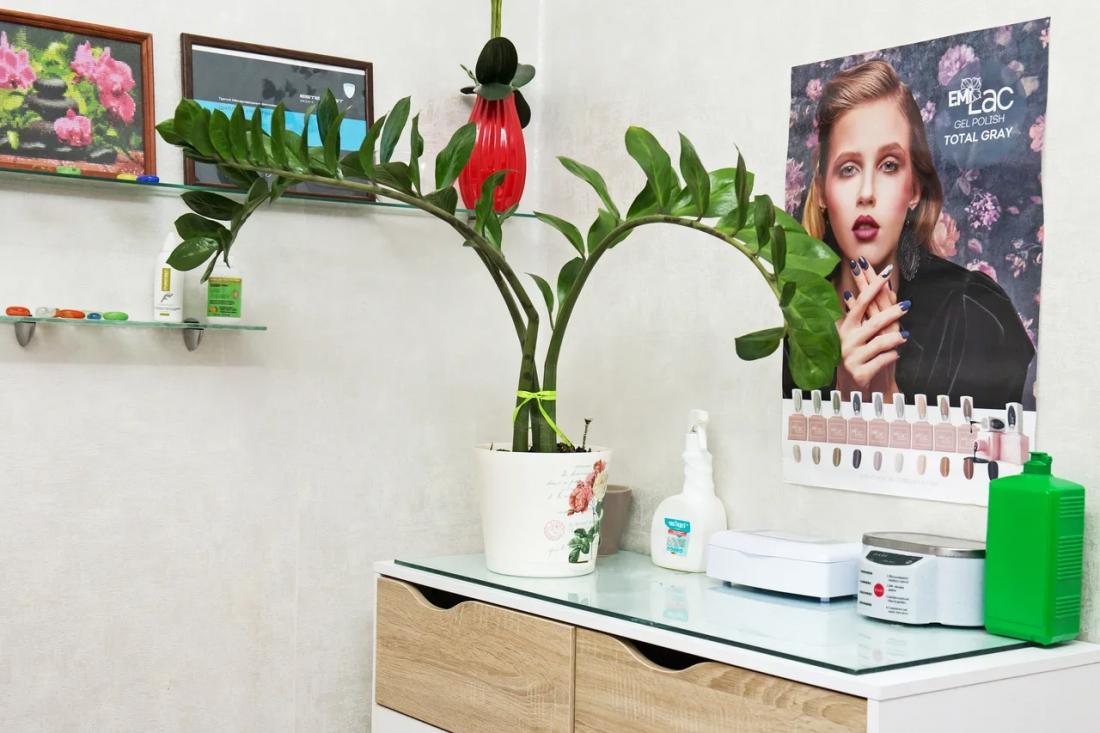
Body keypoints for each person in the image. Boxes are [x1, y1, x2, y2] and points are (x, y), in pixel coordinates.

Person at [786, 59, 1034, 409]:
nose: (867, 193)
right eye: (848, 169)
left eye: (889, 165)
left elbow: (1002, 444)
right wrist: (841, 398)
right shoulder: (795, 320)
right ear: (823, 191)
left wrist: (887, 397)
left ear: (914, 189)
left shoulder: (976, 313)